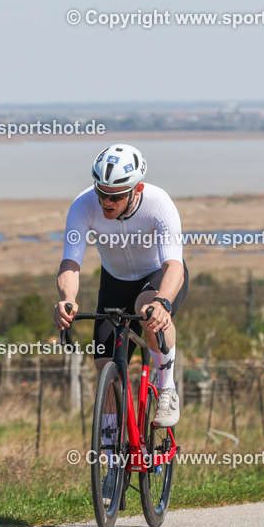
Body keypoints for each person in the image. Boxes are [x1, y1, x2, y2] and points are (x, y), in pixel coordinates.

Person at [53, 143, 188, 430]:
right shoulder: (83, 205)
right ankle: (110, 450)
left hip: (157, 278)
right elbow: (70, 263)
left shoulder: (158, 203)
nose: (106, 202)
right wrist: (68, 298)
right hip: (114, 284)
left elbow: (174, 266)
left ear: (137, 189)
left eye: (115, 196)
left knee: (147, 309)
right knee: (105, 367)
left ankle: (166, 388)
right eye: (101, 192)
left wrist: (163, 302)